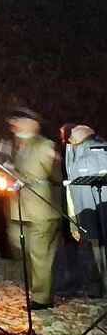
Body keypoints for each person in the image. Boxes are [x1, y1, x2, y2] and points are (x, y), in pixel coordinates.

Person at [0, 108, 62, 310]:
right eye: (13, 120)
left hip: (40, 208)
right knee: (18, 245)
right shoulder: (9, 145)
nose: (14, 123)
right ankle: (38, 285)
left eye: (19, 120)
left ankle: (42, 298)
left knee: (39, 254)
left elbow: (56, 177)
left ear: (33, 124)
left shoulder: (45, 145)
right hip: (16, 207)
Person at [64, 125, 107, 297]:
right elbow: (72, 192)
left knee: (98, 250)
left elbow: (74, 193)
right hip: (90, 214)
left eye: (71, 139)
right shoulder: (76, 157)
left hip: (95, 212)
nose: (68, 141)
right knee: (96, 251)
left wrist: (76, 221)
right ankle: (101, 285)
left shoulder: (91, 156)